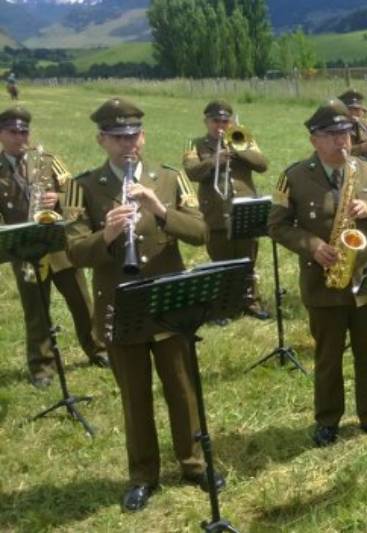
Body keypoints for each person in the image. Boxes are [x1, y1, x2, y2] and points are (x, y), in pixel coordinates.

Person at [64, 97, 222, 512]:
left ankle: (192, 462)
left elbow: (201, 232)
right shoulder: (83, 186)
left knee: (182, 387)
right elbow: (76, 252)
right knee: (135, 395)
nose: (127, 144)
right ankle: (143, 475)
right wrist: (109, 236)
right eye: (117, 137)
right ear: (101, 140)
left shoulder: (169, 180)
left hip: (169, 301)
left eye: (133, 135)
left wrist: (159, 209)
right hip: (120, 306)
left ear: (144, 136)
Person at [268, 98, 367, 447]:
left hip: (366, 281)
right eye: (331, 135)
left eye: (345, 133)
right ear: (314, 140)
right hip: (323, 282)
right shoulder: (294, 176)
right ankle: (328, 420)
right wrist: (312, 246)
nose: (342, 140)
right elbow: (278, 226)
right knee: (328, 357)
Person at [0, 105, 108, 388]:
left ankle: (98, 349)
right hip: (23, 249)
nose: (20, 137)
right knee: (36, 310)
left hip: (58, 245)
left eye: (24, 131)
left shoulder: (46, 159)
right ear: (1, 134)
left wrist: (56, 199)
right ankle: (42, 367)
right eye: (13, 132)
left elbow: (75, 192)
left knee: (81, 302)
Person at [182, 99, 270, 320]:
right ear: (206, 121)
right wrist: (214, 160)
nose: (221, 125)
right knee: (221, 260)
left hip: (243, 207)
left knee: (248, 258)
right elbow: (191, 173)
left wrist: (237, 148)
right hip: (215, 209)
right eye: (216, 121)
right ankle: (222, 306)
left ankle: (250, 301)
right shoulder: (195, 144)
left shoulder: (244, 139)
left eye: (225, 121)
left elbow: (262, 165)